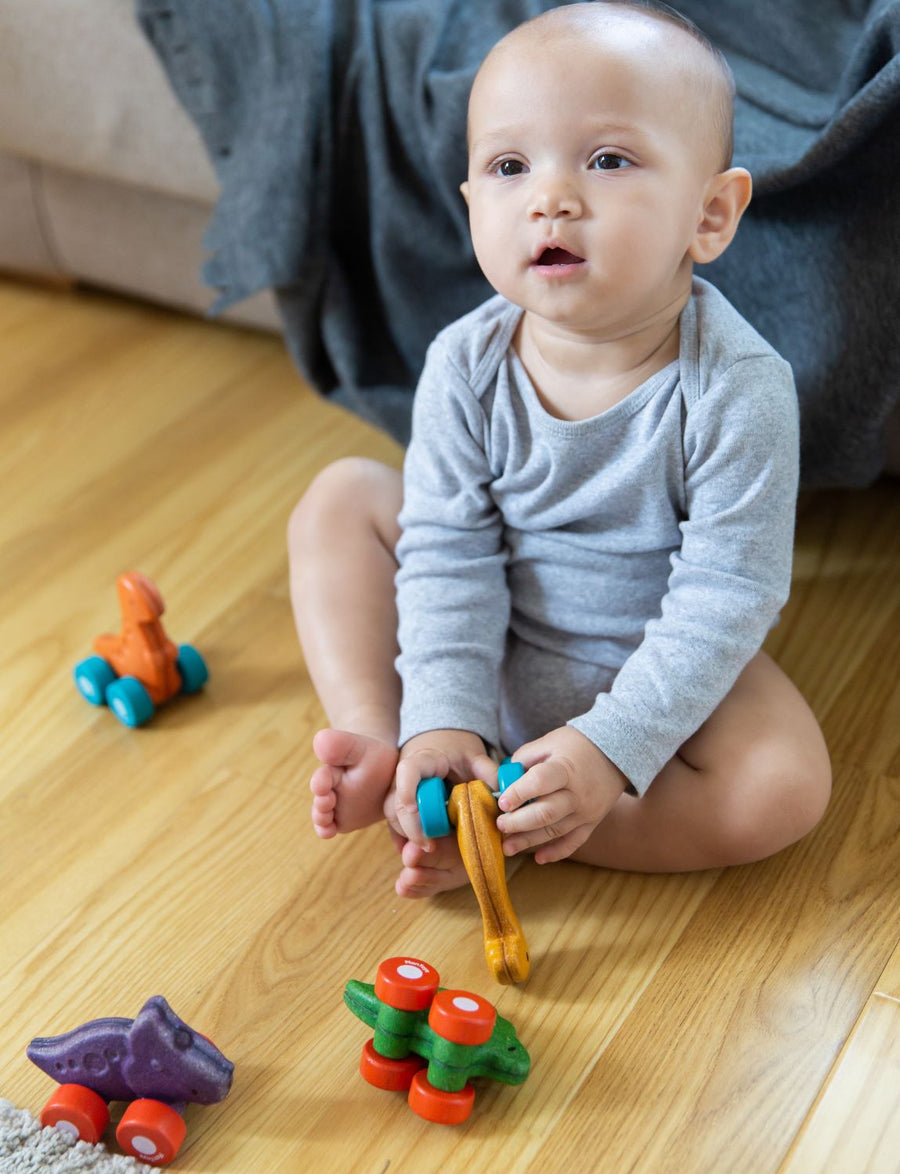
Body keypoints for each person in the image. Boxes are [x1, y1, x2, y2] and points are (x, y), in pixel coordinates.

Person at [288, 0, 831, 899]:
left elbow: (726, 598)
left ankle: (531, 826)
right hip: (480, 636)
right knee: (342, 498)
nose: (551, 197)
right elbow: (447, 555)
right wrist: (441, 714)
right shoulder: (466, 362)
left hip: (650, 661)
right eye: (508, 166)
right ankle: (391, 749)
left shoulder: (739, 386)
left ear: (711, 214)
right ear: (472, 206)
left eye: (608, 160)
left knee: (784, 788)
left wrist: (611, 748)